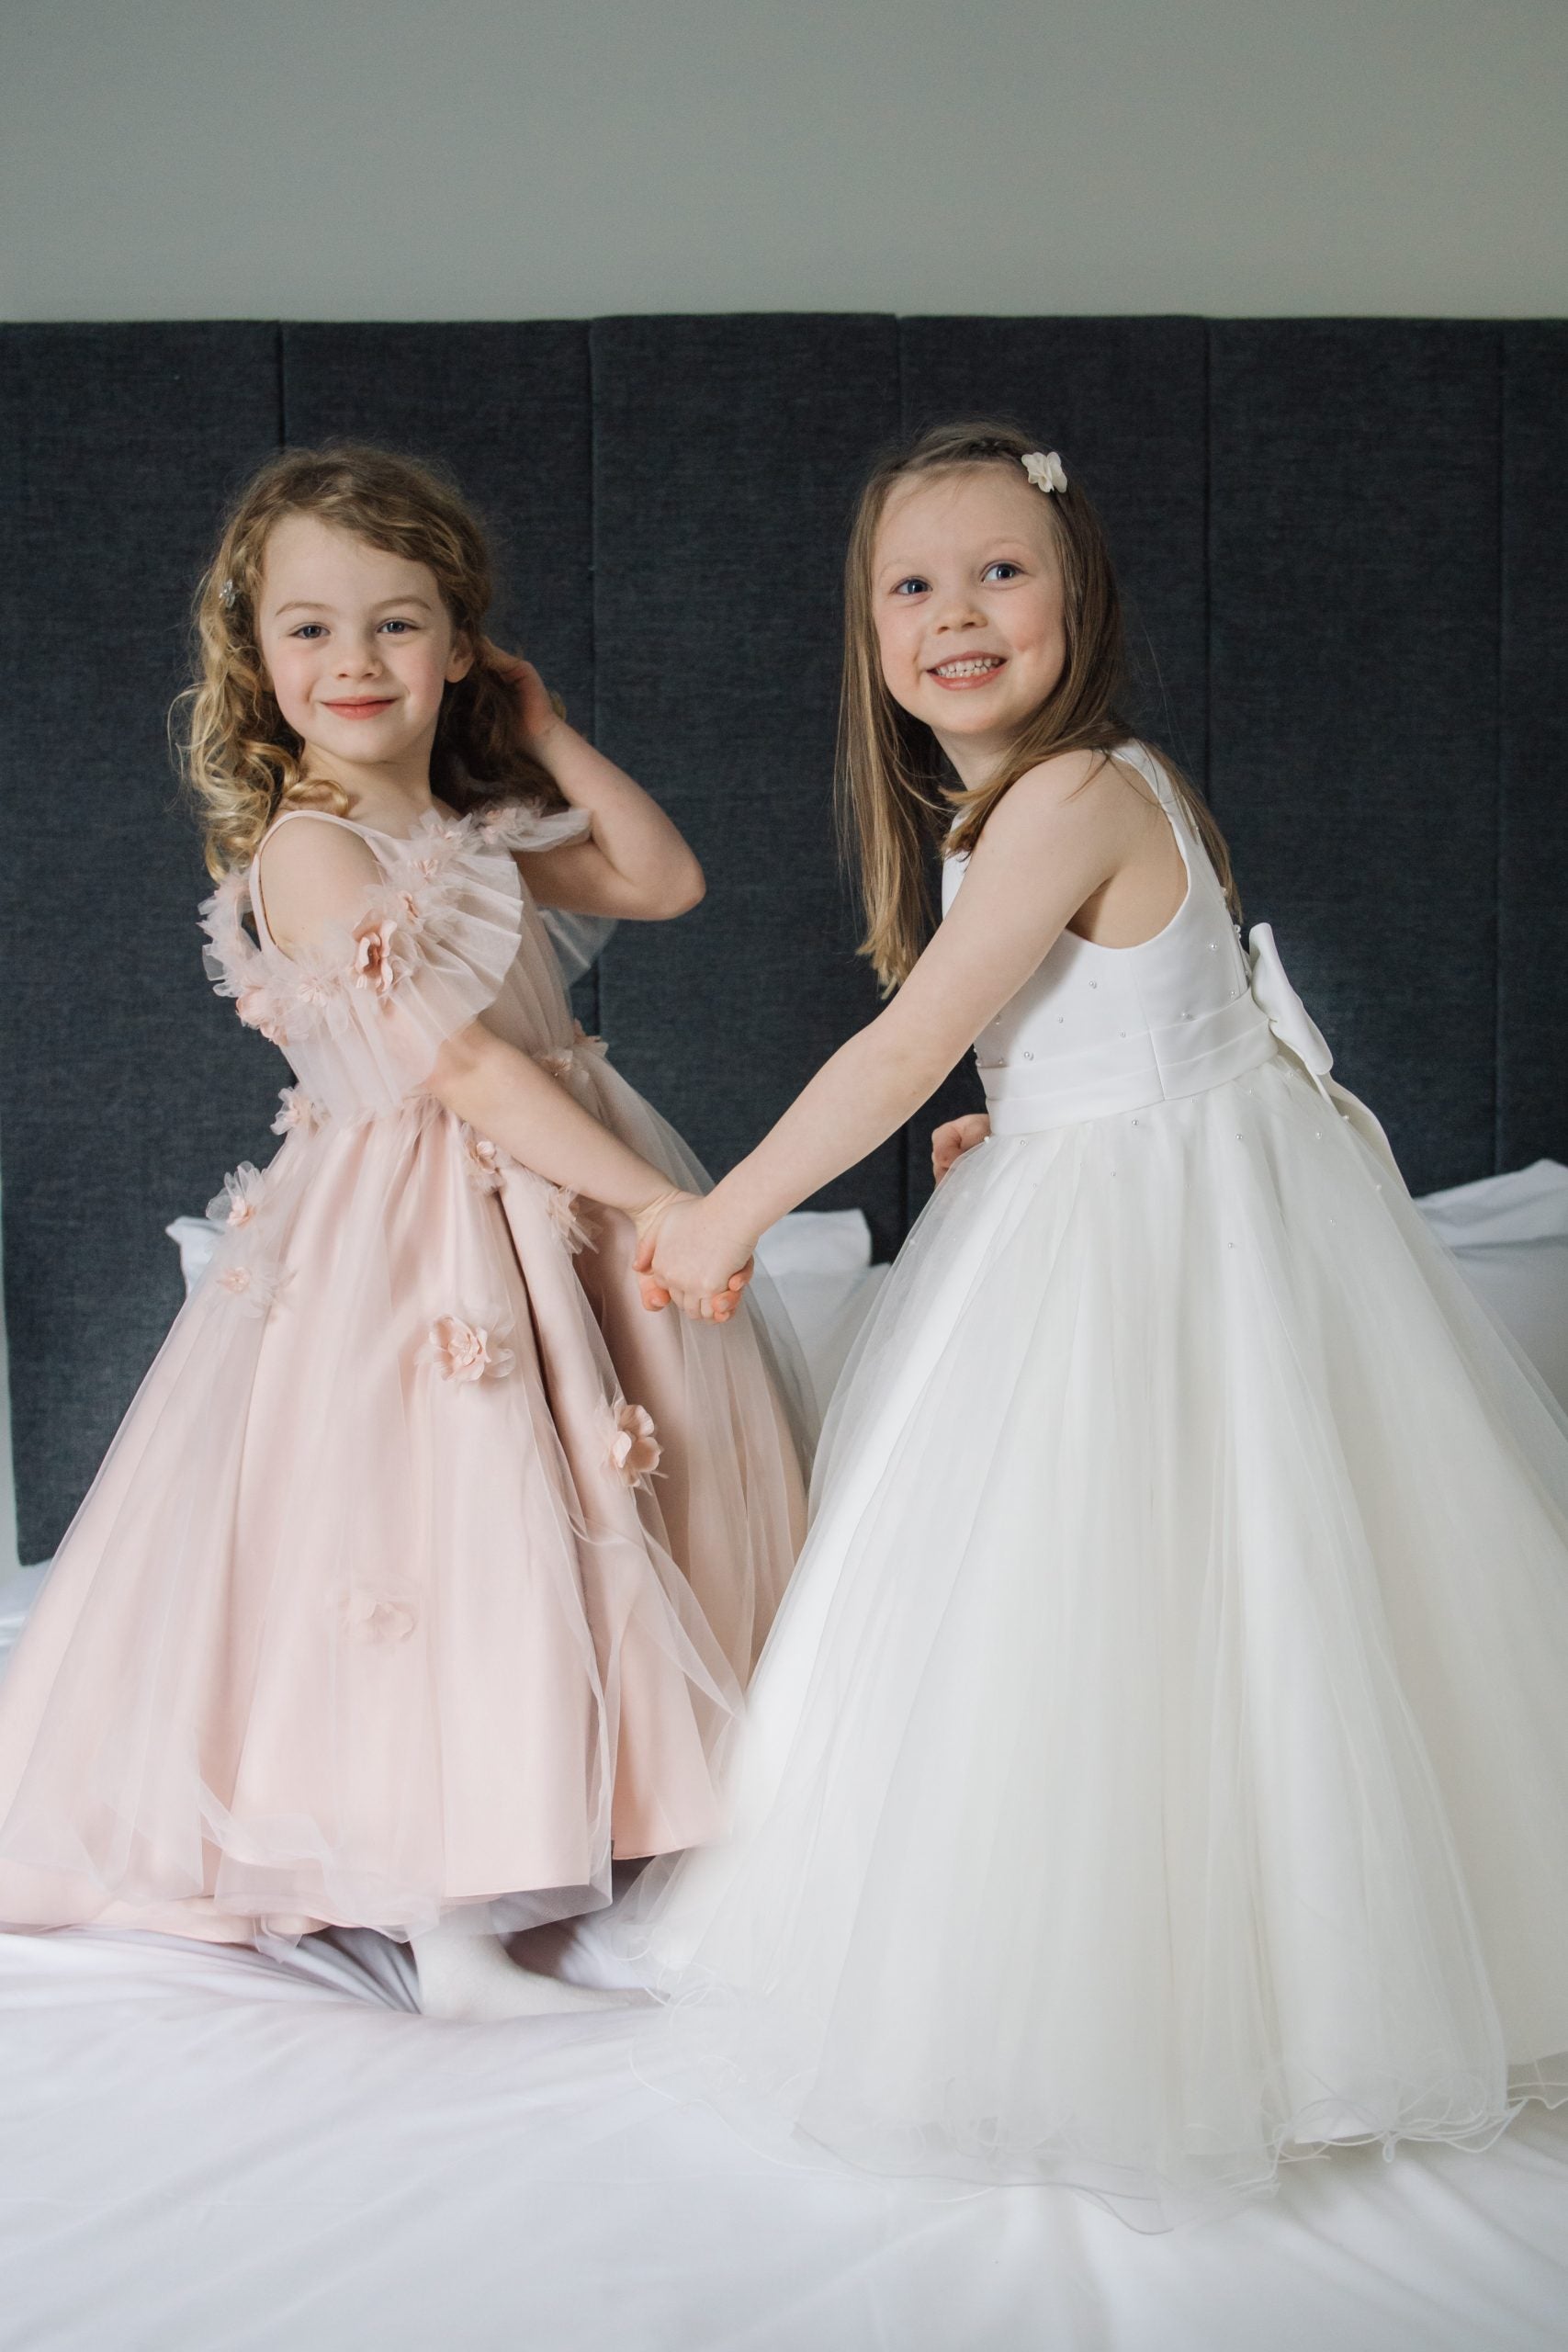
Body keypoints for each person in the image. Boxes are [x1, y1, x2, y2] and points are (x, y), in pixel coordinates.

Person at [630, 422, 1568, 2225]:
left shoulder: (1072, 792)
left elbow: (904, 1046)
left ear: (1077, 597)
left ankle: (1219, 1999)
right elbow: (1114, 1018)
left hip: (1163, 1249)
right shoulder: (1050, 805)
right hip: (1137, 1197)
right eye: (912, 585)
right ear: (869, 636)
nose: (955, 614)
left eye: (1001, 571)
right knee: (1161, 1590)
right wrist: (1033, 1099)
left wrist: (722, 1205)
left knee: (1149, 1591)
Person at [0, 444, 810, 2021]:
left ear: (458, 649)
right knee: (449, 1530)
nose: (354, 662)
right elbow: (454, 1063)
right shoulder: (308, 847)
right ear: (258, 659)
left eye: (397, 623)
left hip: (546, 1182)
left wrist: (547, 725)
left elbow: (664, 873)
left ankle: (610, 1814)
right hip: (428, 1224)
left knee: (605, 1510)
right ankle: (445, 1926)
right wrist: (659, 1201)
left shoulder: (478, 820)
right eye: (310, 629)